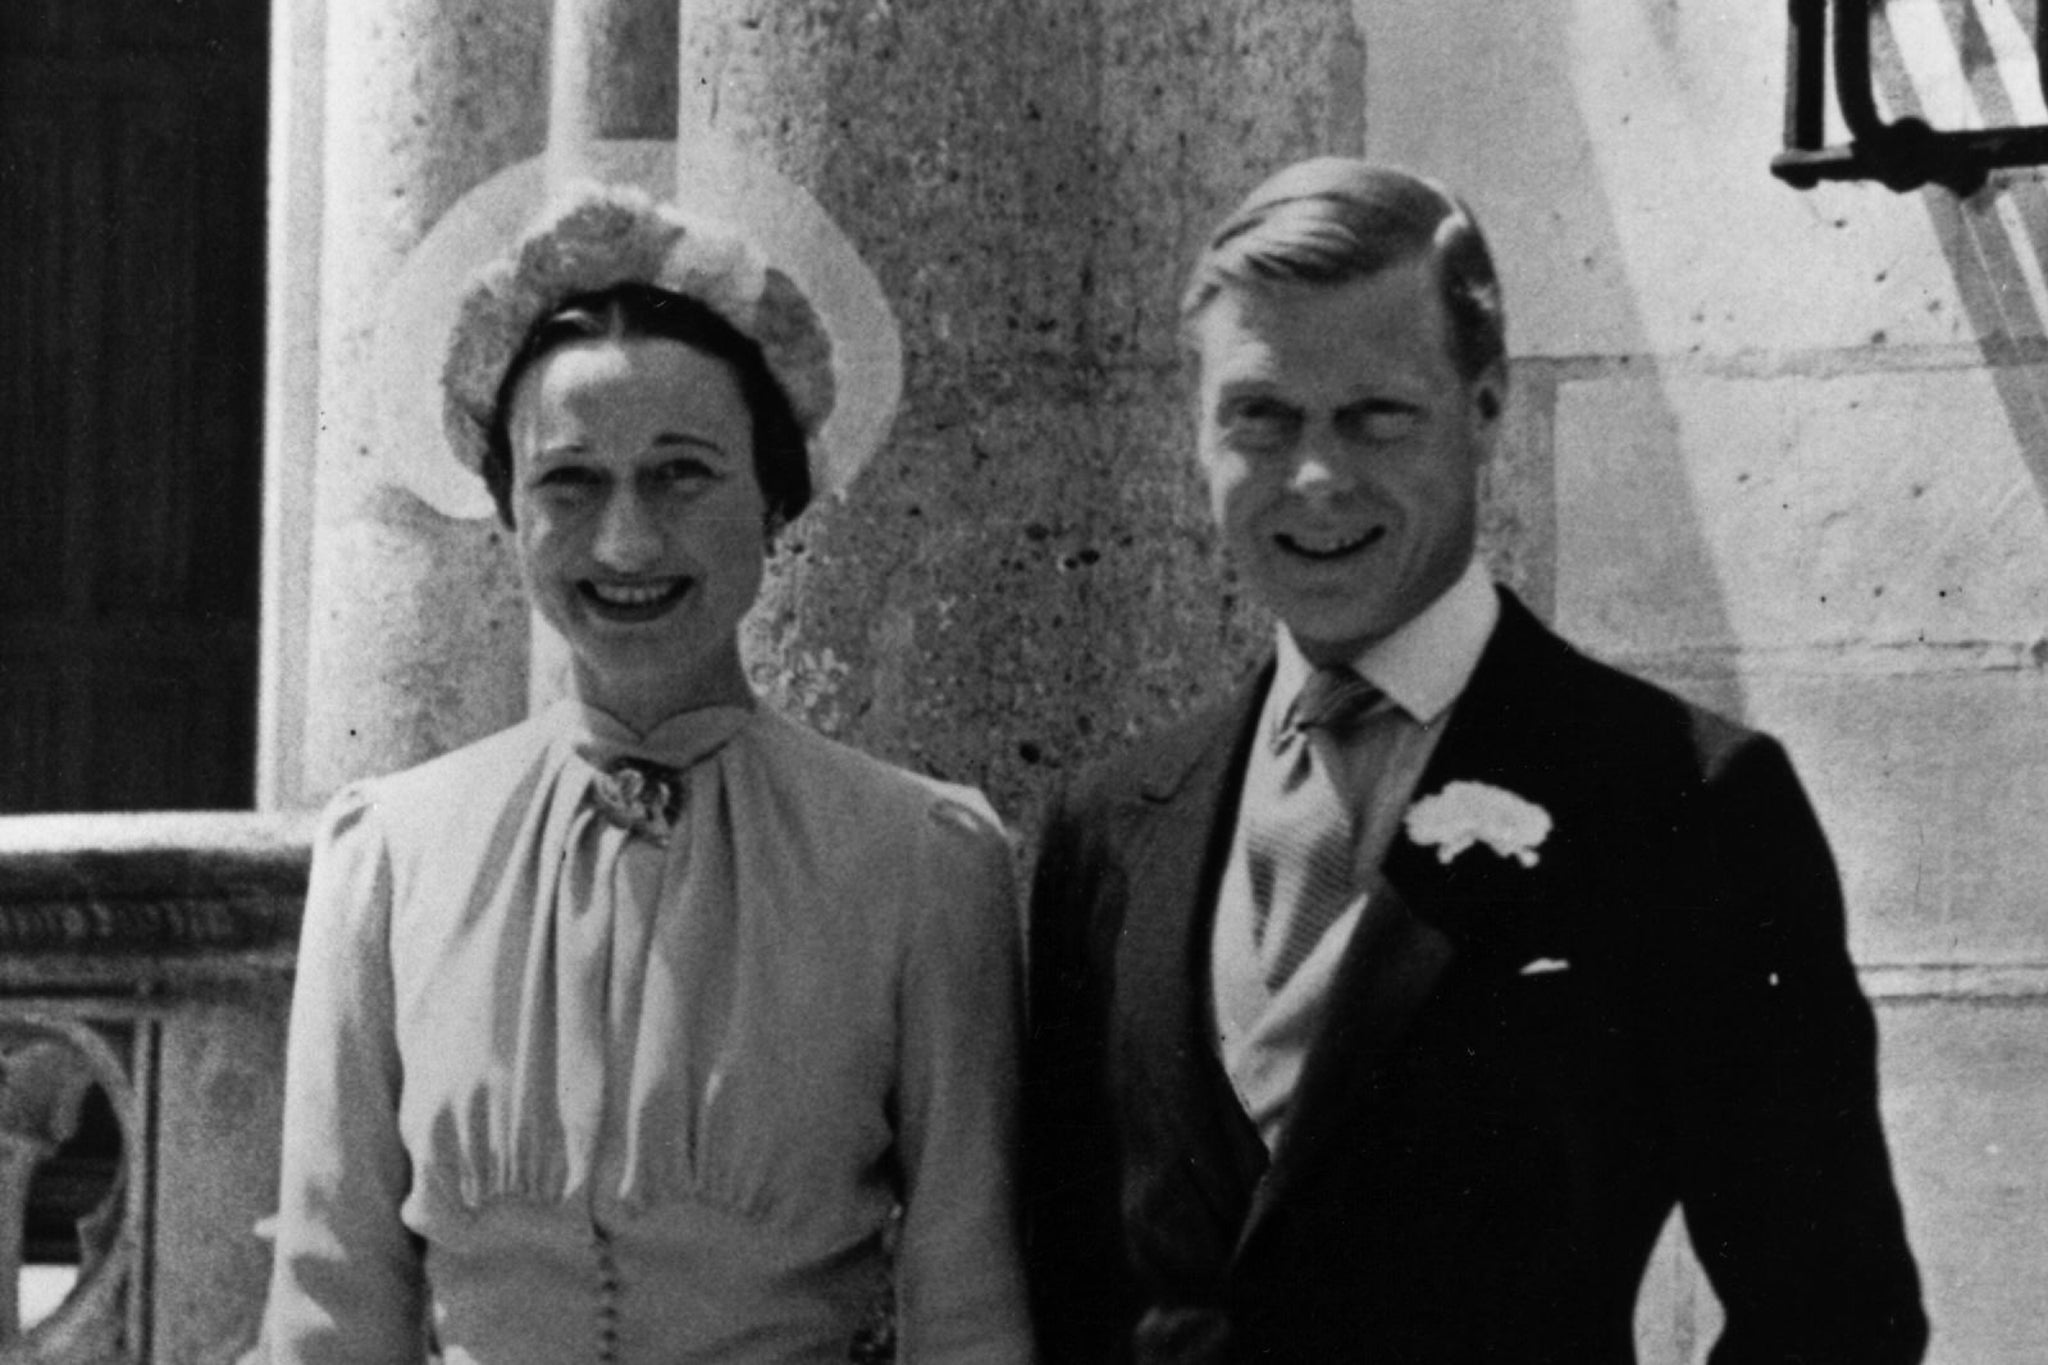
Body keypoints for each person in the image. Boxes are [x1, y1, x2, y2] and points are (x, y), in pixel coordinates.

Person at [1023, 158, 1927, 1363]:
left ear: (1486, 409)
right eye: (1260, 414)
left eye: (1376, 416)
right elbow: (1071, 1283)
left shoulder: (1681, 802)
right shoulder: (1111, 823)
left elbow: (1829, 1310)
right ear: (1196, 431)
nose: (1314, 477)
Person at [261, 184, 1033, 1363]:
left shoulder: (920, 858)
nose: (625, 543)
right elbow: (330, 1302)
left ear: (774, 500)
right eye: (569, 484)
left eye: (681, 475)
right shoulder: (387, 856)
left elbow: (965, 1304)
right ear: (510, 513)